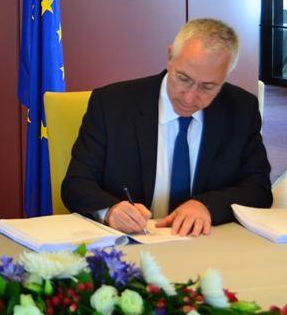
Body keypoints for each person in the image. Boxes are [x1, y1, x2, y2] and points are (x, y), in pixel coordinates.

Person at [61, 18, 272, 237]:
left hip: (205, 242)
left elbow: (258, 188)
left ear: (225, 76)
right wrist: (110, 211)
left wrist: (206, 205)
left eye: (208, 87)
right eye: (183, 78)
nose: (189, 98)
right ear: (170, 57)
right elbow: (76, 183)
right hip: (131, 243)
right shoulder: (111, 104)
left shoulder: (242, 109)